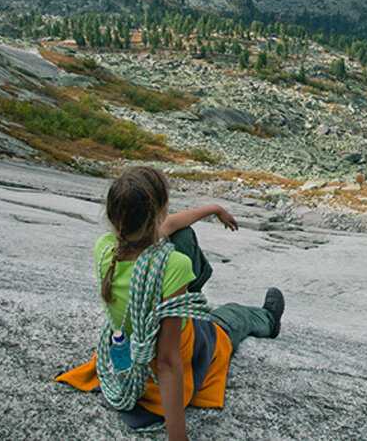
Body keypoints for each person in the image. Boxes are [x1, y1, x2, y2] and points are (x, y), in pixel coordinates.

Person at [60, 166, 285, 440]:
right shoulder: (174, 265)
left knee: (182, 235)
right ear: (160, 213)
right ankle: (268, 320)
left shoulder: (104, 248)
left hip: (127, 346)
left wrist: (213, 208)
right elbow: (168, 362)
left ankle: (189, 298)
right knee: (232, 319)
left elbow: (169, 227)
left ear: (112, 216)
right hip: (160, 367)